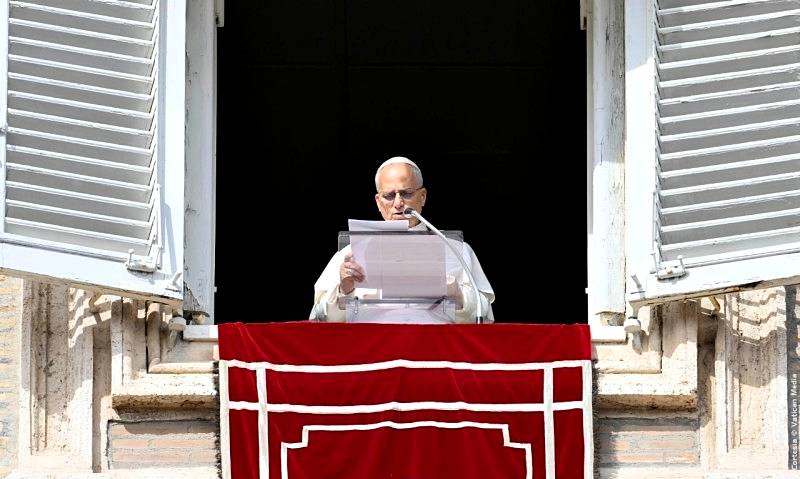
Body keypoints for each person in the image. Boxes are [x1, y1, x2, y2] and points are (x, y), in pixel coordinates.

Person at [310, 157, 494, 323]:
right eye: (389, 196)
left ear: (422, 197)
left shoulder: (456, 249)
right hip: (373, 344)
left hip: (434, 343)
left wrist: (456, 292)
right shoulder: (350, 254)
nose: (398, 203)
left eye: (406, 193)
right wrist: (345, 289)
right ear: (378, 202)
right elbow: (322, 318)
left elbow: (483, 314)